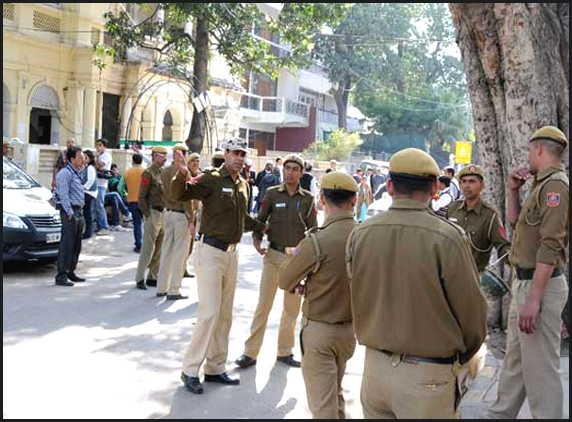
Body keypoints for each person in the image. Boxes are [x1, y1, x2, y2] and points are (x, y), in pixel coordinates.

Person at [346, 148, 487, 419]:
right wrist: (461, 358)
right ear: (435, 187)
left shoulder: (361, 233)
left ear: (388, 186)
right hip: (428, 375)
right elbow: (473, 317)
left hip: (375, 369)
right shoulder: (447, 236)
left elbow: (359, 290)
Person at [486, 126, 569, 419]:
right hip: (524, 281)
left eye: (529, 151)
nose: (527, 157)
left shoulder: (555, 186)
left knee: (541, 370)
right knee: (516, 363)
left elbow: (550, 245)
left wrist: (534, 299)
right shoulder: (539, 184)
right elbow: (516, 221)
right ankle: (500, 415)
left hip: (539, 284)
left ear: (539, 150)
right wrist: (512, 190)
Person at [172, 137, 266, 395]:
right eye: (235, 153)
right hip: (211, 251)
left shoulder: (244, 184)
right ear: (225, 154)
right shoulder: (212, 178)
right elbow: (182, 193)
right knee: (209, 311)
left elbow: (242, 218)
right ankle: (190, 369)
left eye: (243, 154)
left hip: (231, 254)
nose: (239, 157)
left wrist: (262, 226)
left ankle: (215, 367)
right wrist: (181, 176)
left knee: (225, 314)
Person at [278, 171, 358, 419]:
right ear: (354, 200)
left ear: (321, 199)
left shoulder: (317, 241)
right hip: (349, 331)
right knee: (335, 396)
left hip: (320, 331)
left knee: (323, 407)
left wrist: (302, 275)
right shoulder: (364, 236)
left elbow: (284, 280)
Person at [235, 154, 317, 370]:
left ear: (301, 172)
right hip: (273, 256)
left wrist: (307, 259)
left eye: (294, 169)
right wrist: (256, 239)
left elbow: (313, 231)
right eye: (287, 168)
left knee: (291, 310)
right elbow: (261, 219)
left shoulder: (308, 199)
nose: (289, 172)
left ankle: (285, 351)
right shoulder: (272, 194)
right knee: (264, 306)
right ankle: (250, 353)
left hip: (295, 261)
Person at [447, 164, 511, 273]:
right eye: (463, 181)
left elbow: (503, 246)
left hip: (474, 276)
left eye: (472, 181)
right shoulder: (453, 208)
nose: (467, 186)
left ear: (482, 185)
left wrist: (517, 260)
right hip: (449, 273)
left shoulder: (490, 215)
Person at [156, 143, 193, 300]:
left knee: (166, 251)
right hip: (180, 214)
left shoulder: (164, 171)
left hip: (168, 212)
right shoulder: (184, 172)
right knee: (180, 253)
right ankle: (174, 289)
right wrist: (191, 218)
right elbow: (188, 196)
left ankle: (161, 287)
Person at [134, 146, 167, 290]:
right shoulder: (148, 173)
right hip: (153, 212)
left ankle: (153, 276)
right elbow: (141, 197)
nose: (164, 158)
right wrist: (147, 215)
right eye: (161, 155)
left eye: (166, 155)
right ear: (154, 156)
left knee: (160, 247)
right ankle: (140, 277)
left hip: (163, 212)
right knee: (148, 248)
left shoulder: (163, 173)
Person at [54, 146, 86, 286]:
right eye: (80, 157)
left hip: (78, 211)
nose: (83, 159)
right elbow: (63, 195)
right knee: (67, 244)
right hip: (70, 212)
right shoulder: (65, 173)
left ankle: (70, 271)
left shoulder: (77, 172)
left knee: (76, 244)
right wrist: (69, 212)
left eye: (83, 157)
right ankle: (61, 274)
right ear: (72, 159)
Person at [124, 153, 145, 253]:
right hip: (144, 201)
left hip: (132, 200)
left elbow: (120, 187)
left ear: (133, 160)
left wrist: (126, 194)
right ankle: (147, 245)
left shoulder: (128, 172)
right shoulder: (145, 172)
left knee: (137, 223)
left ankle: (138, 244)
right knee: (146, 223)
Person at [94, 138, 112, 235]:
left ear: (104, 146)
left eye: (100, 145)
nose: (98, 147)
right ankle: (98, 225)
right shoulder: (98, 155)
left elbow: (99, 165)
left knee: (100, 206)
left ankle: (104, 226)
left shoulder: (106, 156)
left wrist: (97, 157)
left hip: (102, 184)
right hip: (95, 184)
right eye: (97, 145)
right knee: (95, 206)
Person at [81, 150, 98, 239]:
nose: (84, 159)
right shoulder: (87, 167)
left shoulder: (90, 168)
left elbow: (90, 180)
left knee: (87, 213)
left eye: (85, 157)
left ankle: (88, 232)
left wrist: (83, 187)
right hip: (88, 192)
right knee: (87, 213)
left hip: (89, 193)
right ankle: (88, 231)